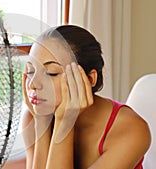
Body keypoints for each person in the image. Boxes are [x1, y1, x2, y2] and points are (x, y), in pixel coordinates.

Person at [19, 25, 151, 169]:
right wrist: (42, 123)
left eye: (51, 73)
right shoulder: (34, 117)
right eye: (31, 71)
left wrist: (65, 123)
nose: (32, 84)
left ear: (89, 79)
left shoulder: (132, 130)